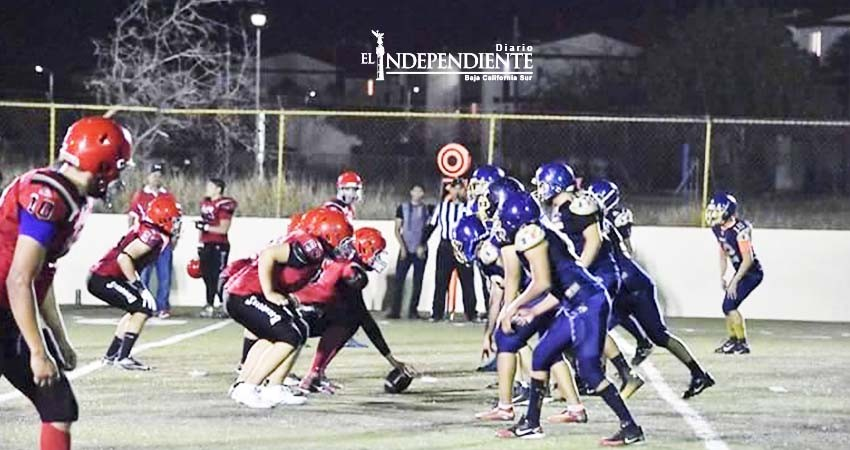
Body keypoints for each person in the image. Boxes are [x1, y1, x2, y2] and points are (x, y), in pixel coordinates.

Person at [0, 116, 132, 450]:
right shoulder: (49, 196)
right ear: (102, 164)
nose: (117, 177)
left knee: (58, 403)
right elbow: (19, 278)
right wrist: (37, 351)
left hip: (8, 312)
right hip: (6, 307)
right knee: (56, 400)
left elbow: (40, 275)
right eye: (117, 167)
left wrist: (59, 338)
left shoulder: (71, 196)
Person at [495, 192, 644, 445]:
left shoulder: (531, 235)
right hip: (578, 301)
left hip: (589, 303)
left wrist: (512, 307)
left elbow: (542, 282)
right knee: (542, 354)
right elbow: (559, 286)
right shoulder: (540, 231)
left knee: (589, 371)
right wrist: (533, 311)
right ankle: (531, 422)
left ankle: (630, 426)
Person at [589, 180, 715, 399]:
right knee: (599, 329)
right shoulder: (600, 221)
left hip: (628, 283)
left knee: (604, 330)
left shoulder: (598, 222)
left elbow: (616, 249)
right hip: (627, 281)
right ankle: (603, 375)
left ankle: (697, 373)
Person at [532, 162, 644, 398]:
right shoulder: (561, 208)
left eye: (543, 183)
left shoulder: (577, 205)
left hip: (599, 272)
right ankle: (579, 381)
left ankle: (625, 375)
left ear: (556, 183)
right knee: (573, 326)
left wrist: (579, 271)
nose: (540, 189)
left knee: (587, 324)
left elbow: (594, 241)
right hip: (592, 273)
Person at [224, 208, 354, 408]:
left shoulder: (314, 248)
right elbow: (268, 255)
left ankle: (272, 387)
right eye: (343, 239)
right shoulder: (311, 247)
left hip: (248, 293)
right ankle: (248, 387)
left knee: (299, 331)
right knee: (288, 336)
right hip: (244, 294)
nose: (345, 246)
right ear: (329, 233)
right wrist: (269, 293)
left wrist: (284, 296)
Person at [295, 227, 417, 393]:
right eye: (377, 253)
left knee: (347, 317)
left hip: (299, 307)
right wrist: (391, 359)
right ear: (364, 248)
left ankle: (315, 374)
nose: (378, 259)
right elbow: (364, 318)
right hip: (300, 312)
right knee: (349, 320)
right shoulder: (350, 271)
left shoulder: (343, 260)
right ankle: (310, 374)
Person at [88, 195, 182, 371]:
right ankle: (123, 357)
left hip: (105, 276)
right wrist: (139, 287)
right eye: (175, 220)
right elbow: (124, 257)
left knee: (136, 308)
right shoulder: (153, 234)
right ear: (163, 218)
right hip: (104, 277)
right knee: (143, 308)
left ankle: (112, 355)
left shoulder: (154, 232)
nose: (177, 224)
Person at [705, 192, 764, 354]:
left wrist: (735, 281)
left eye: (716, 210)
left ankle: (742, 342)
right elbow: (723, 252)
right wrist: (723, 275)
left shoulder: (740, 230)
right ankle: (733, 340)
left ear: (727, 211)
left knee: (730, 305)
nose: (712, 213)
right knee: (727, 306)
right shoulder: (718, 228)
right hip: (742, 271)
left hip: (752, 273)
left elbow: (748, 260)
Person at [422, 178, 476, 321]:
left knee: (467, 282)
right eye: (454, 188)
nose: (457, 191)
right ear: (450, 190)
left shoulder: (469, 208)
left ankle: (471, 314)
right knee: (440, 281)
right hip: (446, 245)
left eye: (460, 188)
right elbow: (431, 226)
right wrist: (422, 243)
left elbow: (475, 228)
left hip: (463, 246)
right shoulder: (442, 207)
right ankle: (437, 313)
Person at [128, 163, 175, 318]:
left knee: (164, 276)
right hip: (145, 241)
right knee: (144, 276)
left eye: (159, 175)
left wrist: (175, 238)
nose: (156, 178)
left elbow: (175, 218)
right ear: (147, 177)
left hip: (163, 242)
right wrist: (133, 237)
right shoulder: (140, 196)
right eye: (154, 174)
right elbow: (132, 217)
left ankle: (162, 307)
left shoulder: (167, 196)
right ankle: (145, 305)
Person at [387, 184, 432, 319]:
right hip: (405, 248)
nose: (417, 194)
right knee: (399, 280)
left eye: (420, 191)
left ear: (423, 194)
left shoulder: (427, 209)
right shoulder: (403, 208)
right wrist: (402, 247)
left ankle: (413, 310)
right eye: (415, 191)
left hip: (420, 249)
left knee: (418, 281)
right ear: (411, 192)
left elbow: (428, 228)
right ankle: (395, 310)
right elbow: (397, 229)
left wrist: (422, 246)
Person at [197, 178, 237, 318]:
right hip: (207, 244)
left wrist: (206, 227)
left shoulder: (224, 204)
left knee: (219, 276)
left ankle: (223, 304)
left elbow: (224, 229)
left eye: (210, 186)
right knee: (207, 276)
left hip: (220, 245)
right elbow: (202, 225)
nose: (207, 188)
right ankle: (209, 304)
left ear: (218, 189)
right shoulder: (206, 203)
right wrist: (200, 243)